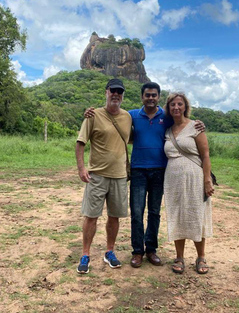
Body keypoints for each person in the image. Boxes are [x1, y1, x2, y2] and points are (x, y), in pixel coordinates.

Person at [85, 82, 205, 269]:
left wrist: (199, 123)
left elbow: (183, 123)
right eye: (147, 95)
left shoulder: (166, 117)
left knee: (155, 212)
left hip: (160, 170)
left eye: (154, 95)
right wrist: (89, 112)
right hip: (139, 170)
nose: (150, 98)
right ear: (142, 97)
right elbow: (113, 116)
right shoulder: (132, 115)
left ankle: (151, 249)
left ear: (158, 97)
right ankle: (137, 252)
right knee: (137, 213)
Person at [75, 78, 132, 274]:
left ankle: (110, 251)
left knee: (114, 216)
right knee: (91, 216)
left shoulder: (127, 117)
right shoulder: (93, 115)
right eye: (112, 90)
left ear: (123, 95)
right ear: (106, 92)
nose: (116, 94)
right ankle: (85, 254)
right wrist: (82, 168)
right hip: (97, 175)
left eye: (119, 91)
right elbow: (80, 142)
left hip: (119, 176)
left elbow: (137, 132)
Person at [163, 92, 214, 275]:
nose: (176, 107)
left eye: (179, 104)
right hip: (173, 181)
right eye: (172, 105)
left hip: (195, 179)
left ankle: (201, 257)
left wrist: (207, 180)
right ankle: (179, 257)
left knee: (196, 214)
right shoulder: (167, 130)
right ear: (168, 108)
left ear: (185, 107)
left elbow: (206, 155)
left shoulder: (195, 127)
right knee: (178, 215)